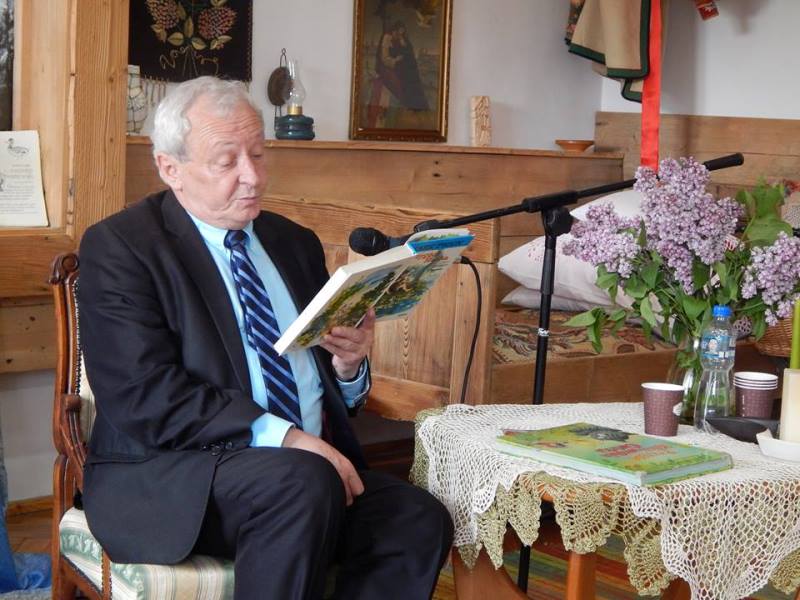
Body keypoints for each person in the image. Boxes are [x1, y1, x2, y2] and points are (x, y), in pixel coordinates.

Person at [77, 76, 454, 600]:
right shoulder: (123, 248)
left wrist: (348, 367)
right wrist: (287, 438)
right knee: (301, 483)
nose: (252, 176)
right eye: (227, 161)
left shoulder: (292, 242)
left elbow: (325, 379)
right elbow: (144, 395)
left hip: (307, 469)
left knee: (416, 516)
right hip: (177, 475)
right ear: (170, 168)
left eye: (258, 154)